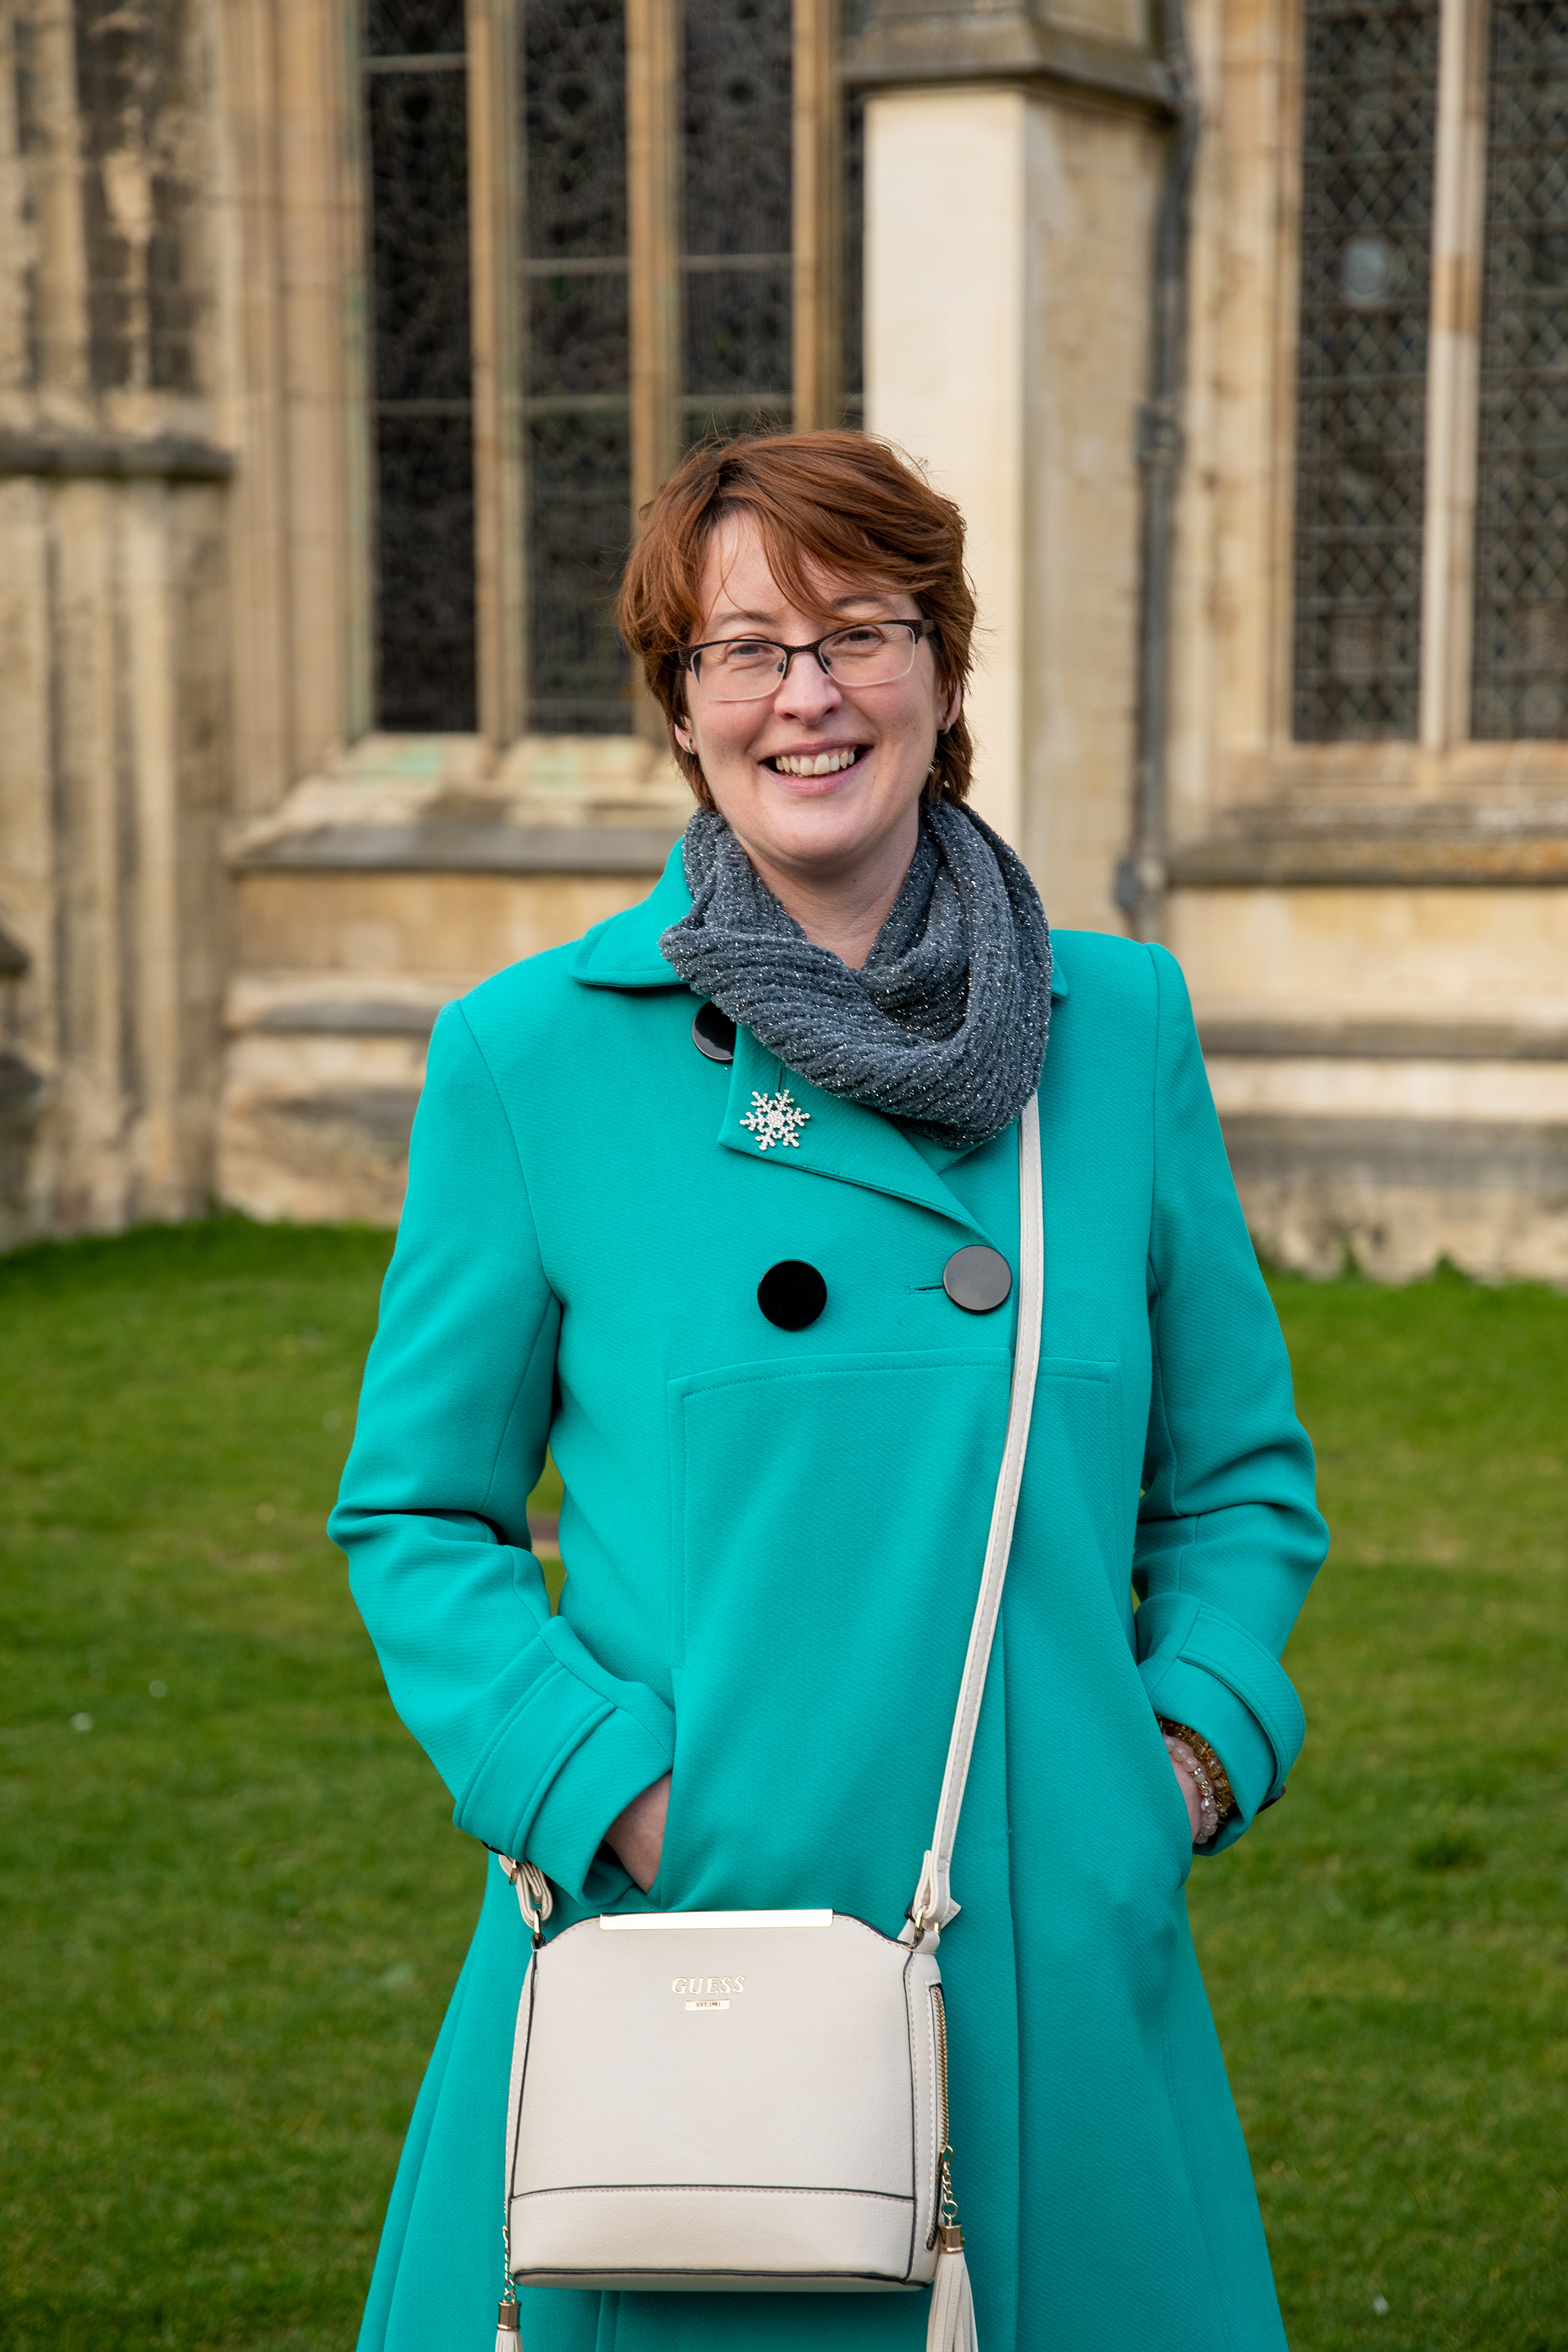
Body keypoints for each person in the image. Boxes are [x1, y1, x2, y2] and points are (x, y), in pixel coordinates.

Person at [331, 429, 1329, 2352]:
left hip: (1051, 1955)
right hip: (705, 1970)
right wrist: (608, 1796)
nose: (807, 694)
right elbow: (420, 1515)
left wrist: (1182, 1757)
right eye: (744, 649)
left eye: (860, 633)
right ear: (682, 708)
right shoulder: (533, 1058)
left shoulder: (1115, 1026)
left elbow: (1238, 1482)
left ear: (945, 678)